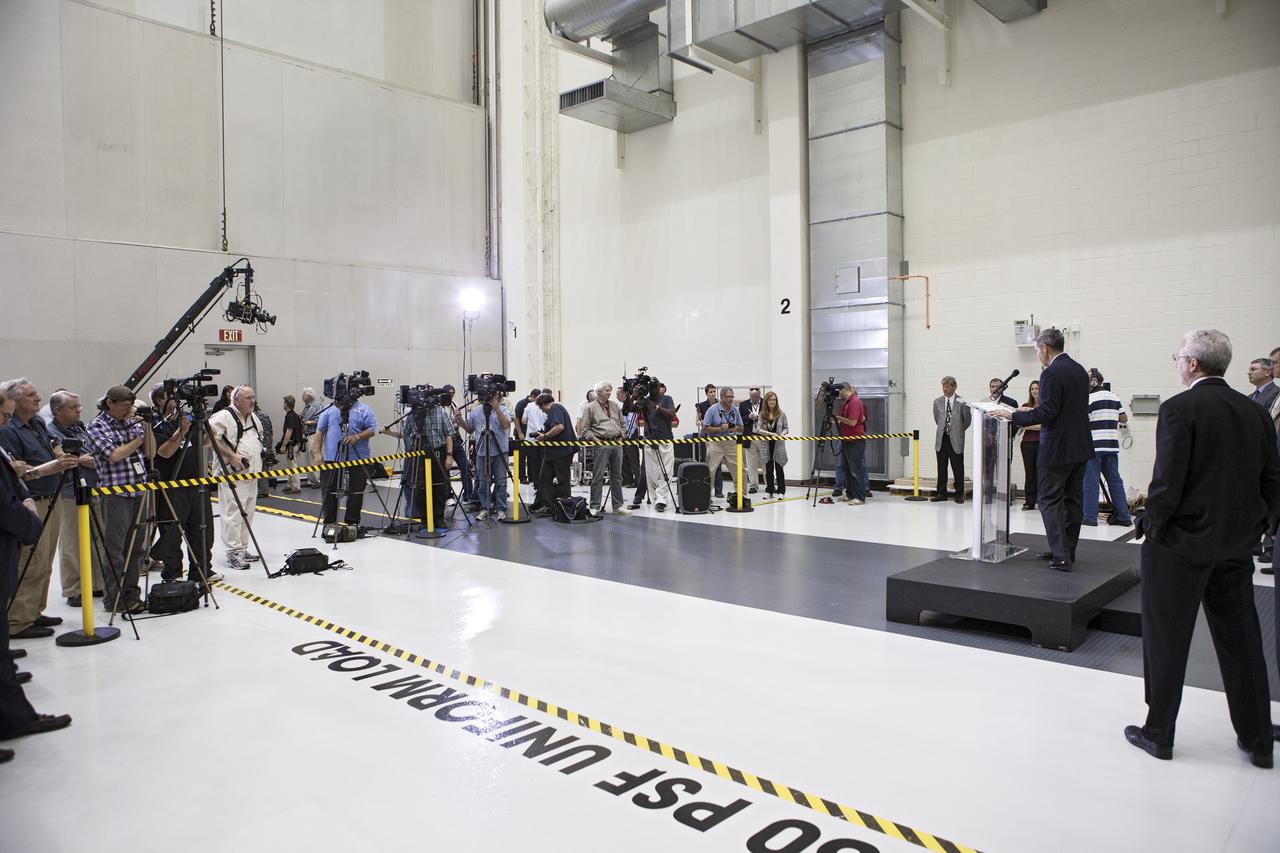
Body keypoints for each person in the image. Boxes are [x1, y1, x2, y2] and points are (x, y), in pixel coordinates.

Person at [1124, 329, 1277, 766]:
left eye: (1178, 357)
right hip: (1235, 545)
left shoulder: (1179, 409)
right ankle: (1258, 738)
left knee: (1168, 636)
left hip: (1180, 546)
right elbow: (1272, 477)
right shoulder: (1255, 411)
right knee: (1243, 640)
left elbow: (1168, 483)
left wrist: (1151, 525)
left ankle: (1160, 733)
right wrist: (1261, 525)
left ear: (1192, 364)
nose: (1177, 363)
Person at [995, 328, 1094, 572]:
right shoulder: (1080, 370)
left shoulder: (1051, 373)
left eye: (1038, 350)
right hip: (1080, 446)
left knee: (1048, 500)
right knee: (1072, 501)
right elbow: (1065, 409)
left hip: (1057, 449)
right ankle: (1067, 550)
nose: (1039, 355)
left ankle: (1060, 556)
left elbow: (1048, 412)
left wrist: (1014, 415)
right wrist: (1029, 412)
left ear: (1045, 348)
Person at [0, 433, 71, 759]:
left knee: (42, 567)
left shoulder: (37, 431)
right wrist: (28, 522)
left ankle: (12, 714)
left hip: (21, 521)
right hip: (14, 524)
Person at [0, 379, 80, 637]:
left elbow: (51, 449)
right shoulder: (9, 430)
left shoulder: (38, 424)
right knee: (30, 562)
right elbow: (16, 472)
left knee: (45, 561)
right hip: (32, 501)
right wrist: (51, 467)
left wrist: (58, 456)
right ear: (13, 402)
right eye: (31, 395)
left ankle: (34, 610)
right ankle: (18, 620)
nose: (37, 398)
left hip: (51, 497)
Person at [84, 386, 154, 612]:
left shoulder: (132, 423)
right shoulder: (97, 426)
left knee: (136, 548)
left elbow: (151, 453)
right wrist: (136, 439)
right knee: (115, 549)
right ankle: (114, 598)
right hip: (115, 494)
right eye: (125, 406)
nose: (128, 411)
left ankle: (132, 595)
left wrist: (146, 427)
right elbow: (114, 456)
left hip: (139, 492)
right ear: (110, 404)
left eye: (131, 407)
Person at [148, 385, 218, 586]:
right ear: (160, 401)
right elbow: (164, 452)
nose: (178, 402)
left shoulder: (186, 417)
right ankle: (172, 573)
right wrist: (181, 431)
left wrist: (207, 429)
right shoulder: (154, 423)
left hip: (197, 483)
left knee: (201, 529)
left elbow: (203, 443)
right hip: (172, 485)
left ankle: (201, 570)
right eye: (173, 398)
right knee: (171, 531)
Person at [45, 391, 103, 606]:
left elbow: (92, 454)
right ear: (57, 410)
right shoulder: (50, 431)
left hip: (92, 487)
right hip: (69, 492)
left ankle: (97, 584)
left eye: (79, 406)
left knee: (97, 537)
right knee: (72, 543)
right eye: (73, 407)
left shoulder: (79, 428)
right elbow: (63, 457)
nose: (79, 410)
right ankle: (74, 589)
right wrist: (81, 459)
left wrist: (83, 458)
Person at [208, 386, 264, 570]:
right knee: (232, 513)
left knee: (247, 513)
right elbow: (209, 439)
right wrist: (231, 456)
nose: (252, 400)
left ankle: (242, 547)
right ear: (236, 400)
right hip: (233, 475)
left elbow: (259, 438)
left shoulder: (254, 418)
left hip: (252, 474)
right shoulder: (223, 417)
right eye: (248, 397)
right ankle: (233, 552)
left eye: (253, 397)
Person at [383, 397, 455, 531]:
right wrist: (390, 433)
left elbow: (449, 434)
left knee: (441, 487)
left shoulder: (440, 411)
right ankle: (424, 519)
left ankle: (439, 517)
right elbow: (406, 433)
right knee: (419, 488)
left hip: (438, 452)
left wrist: (449, 456)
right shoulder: (413, 413)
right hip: (418, 453)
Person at [314, 390, 377, 532]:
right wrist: (317, 454)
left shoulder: (364, 409)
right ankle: (329, 522)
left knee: (356, 491)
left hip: (358, 458)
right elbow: (319, 432)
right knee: (329, 490)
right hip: (332, 458)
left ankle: (352, 523)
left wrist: (357, 437)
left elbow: (372, 429)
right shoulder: (330, 410)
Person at [1083, 369, 1133, 528]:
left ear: (1092, 382)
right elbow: (1124, 418)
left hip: (1093, 447)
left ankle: (1090, 517)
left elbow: (1083, 421)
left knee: (1090, 482)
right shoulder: (1114, 396)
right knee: (1115, 481)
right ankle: (1124, 517)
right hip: (1111, 446)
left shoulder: (1088, 398)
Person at [580, 382, 630, 516]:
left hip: (616, 443)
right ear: (599, 392)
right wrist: (597, 441)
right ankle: (595, 505)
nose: (609, 392)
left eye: (610, 390)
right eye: (606, 390)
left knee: (617, 476)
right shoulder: (590, 408)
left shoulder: (614, 406)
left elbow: (623, 424)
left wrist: (621, 437)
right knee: (598, 476)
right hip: (601, 444)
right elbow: (585, 429)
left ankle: (618, 506)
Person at [466, 388, 511, 520]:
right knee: (482, 482)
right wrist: (460, 421)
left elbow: (506, 425)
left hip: (500, 451)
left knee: (501, 482)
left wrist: (497, 409)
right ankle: (485, 507)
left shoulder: (503, 409)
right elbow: (469, 429)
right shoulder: (476, 411)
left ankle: (501, 508)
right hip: (482, 452)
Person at [632, 384, 677, 513]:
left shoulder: (667, 399)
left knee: (666, 472)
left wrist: (656, 407)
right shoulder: (644, 401)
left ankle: (662, 500)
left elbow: (672, 413)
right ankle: (655, 498)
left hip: (665, 440)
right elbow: (628, 409)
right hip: (649, 440)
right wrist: (634, 396)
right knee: (651, 474)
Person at [531, 394, 577, 515]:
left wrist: (545, 436)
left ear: (543, 404)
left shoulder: (555, 408)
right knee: (545, 478)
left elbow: (559, 427)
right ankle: (550, 506)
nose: (543, 411)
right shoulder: (558, 409)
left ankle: (563, 507)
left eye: (542, 408)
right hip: (555, 452)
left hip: (560, 451)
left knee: (562, 479)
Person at [931, 377, 969, 504]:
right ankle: (941, 493)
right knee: (941, 468)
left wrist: (957, 430)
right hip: (942, 439)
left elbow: (967, 421)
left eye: (948, 386)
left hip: (956, 439)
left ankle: (959, 494)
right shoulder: (937, 402)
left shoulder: (962, 402)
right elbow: (937, 419)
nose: (945, 389)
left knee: (958, 468)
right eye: (943, 387)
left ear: (954, 387)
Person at [702, 387, 744, 500]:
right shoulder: (712, 410)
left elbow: (741, 428)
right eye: (728, 397)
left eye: (732, 396)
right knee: (710, 470)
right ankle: (705, 497)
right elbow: (705, 429)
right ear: (722, 397)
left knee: (740, 469)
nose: (731, 399)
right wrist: (720, 428)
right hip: (715, 442)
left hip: (731, 442)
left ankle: (741, 496)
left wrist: (733, 427)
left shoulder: (735, 410)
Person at [834, 383, 867, 505]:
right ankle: (850, 493)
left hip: (855, 441)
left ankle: (859, 496)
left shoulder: (854, 402)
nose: (838, 395)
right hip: (847, 440)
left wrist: (839, 418)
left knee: (855, 469)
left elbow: (853, 422)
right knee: (847, 468)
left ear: (844, 390)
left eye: (839, 392)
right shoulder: (848, 402)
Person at [757, 391, 789, 498]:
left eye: (774, 400)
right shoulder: (762, 414)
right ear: (766, 401)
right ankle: (769, 490)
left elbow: (786, 428)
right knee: (768, 470)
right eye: (770, 400)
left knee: (779, 469)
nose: (772, 402)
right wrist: (771, 434)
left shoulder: (781, 414)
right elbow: (758, 429)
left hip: (778, 445)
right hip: (766, 445)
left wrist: (782, 434)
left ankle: (781, 491)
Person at [695, 384, 725, 497]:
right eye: (710, 392)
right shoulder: (701, 406)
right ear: (706, 393)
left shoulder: (721, 404)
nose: (713, 394)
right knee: (707, 464)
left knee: (717, 465)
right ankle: (706, 489)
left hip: (719, 437)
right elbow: (697, 421)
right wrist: (702, 422)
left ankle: (719, 490)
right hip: (706, 437)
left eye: (714, 391)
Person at [522, 390, 549, 511]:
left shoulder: (529, 406)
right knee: (544, 465)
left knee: (533, 464)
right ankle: (542, 488)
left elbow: (524, 420)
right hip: (543, 437)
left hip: (530, 439)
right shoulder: (546, 407)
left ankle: (536, 486)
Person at [1019, 381, 1041, 510]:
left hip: (1042, 443)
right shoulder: (1025, 406)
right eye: (1032, 388)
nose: (1034, 391)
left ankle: (1042, 500)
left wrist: (1029, 425)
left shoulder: (1045, 406)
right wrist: (1035, 425)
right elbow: (1021, 424)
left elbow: (1044, 426)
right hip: (1027, 443)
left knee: (1042, 472)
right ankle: (1029, 501)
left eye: (1037, 388)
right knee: (1030, 472)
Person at [739, 387, 765, 494]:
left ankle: (770, 484)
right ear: (749, 396)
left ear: (760, 395)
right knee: (751, 464)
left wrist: (761, 418)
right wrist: (749, 417)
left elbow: (771, 417)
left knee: (766, 463)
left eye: (757, 396)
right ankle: (754, 485)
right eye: (752, 396)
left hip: (763, 437)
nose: (755, 398)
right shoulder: (743, 405)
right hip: (750, 437)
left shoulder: (765, 403)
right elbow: (740, 420)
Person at [277, 396, 304, 493]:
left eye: (284, 402)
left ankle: (296, 487)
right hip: (297, 444)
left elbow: (289, 431)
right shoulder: (295, 415)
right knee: (291, 465)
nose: (283, 404)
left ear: (286, 404)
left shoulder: (289, 416)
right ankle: (290, 485)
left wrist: (283, 445)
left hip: (292, 445)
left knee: (293, 465)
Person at [513, 389, 539, 485]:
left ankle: (532, 477)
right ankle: (522, 477)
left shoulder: (536, 405)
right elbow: (516, 419)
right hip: (521, 433)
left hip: (531, 435)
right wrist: (520, 433)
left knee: (532, 456)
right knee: (521, 457)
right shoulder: (522, 403)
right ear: (533, 396)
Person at [300, 387, 324, 488]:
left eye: (304, 394)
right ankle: (311, 480)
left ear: (309, 395)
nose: (302, 396)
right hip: (307, 435)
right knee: (308, 459)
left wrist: (308, 422)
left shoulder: (317, 406)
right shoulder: (307, 407)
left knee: (315, 458)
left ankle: (318, 481)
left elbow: (321, 421)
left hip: (314, 434)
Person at [254, 401, 275, 499]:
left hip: (257, 445)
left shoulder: (251, 417)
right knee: (264, 468)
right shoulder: (265, 416)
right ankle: (265, 489)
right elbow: (271, 433)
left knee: (257, 468)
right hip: (266, 445)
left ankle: (260, 490)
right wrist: (270, 446)